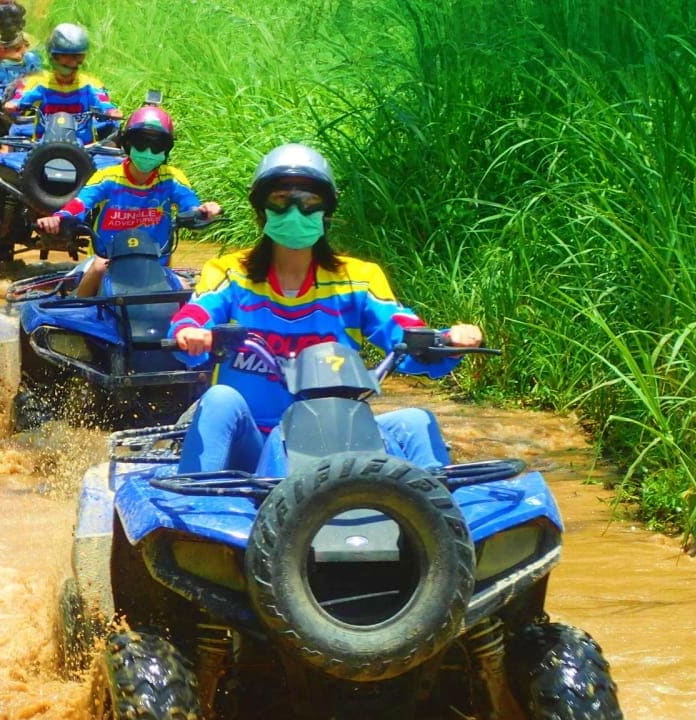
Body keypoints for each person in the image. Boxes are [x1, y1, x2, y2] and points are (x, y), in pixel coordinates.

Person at [169, 143, 483, 474]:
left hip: (338, 438)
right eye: (280, 200)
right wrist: (190, 332)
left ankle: (436, 499)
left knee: (416, 420)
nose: (295, 212)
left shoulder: (359, 278)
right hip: (255, 444)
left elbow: (401, 328)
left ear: (326, 211)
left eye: (309, 202)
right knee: (220, 399)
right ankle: (195, 497)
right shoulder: (229, 272)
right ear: (262, 209)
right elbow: (197, 312)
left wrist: (446, 340)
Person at [36, 106, 222, 297]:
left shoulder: (172, 179)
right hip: (108, 260)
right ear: (127, 144)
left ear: (166, 150)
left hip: (156, 264)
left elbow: (191, 206)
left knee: (185, 289)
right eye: (141, 143)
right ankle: (80, 307)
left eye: (157, 145)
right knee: (99, 267)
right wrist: (59, 217)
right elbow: (81, 203)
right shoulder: (107, 177)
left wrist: (205, 211)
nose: (148, 151)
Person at [1, 23, 121, 144]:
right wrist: (15, 104)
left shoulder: (88, 86)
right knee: (8, 143)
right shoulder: (42, 85)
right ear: (53, 57)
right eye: (65, 56)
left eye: (76, 57)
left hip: (83, 146)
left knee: (113, 146)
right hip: (44, 143)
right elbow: (24, 97)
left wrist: (110, 111)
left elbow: (102, 100)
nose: (71, 62)